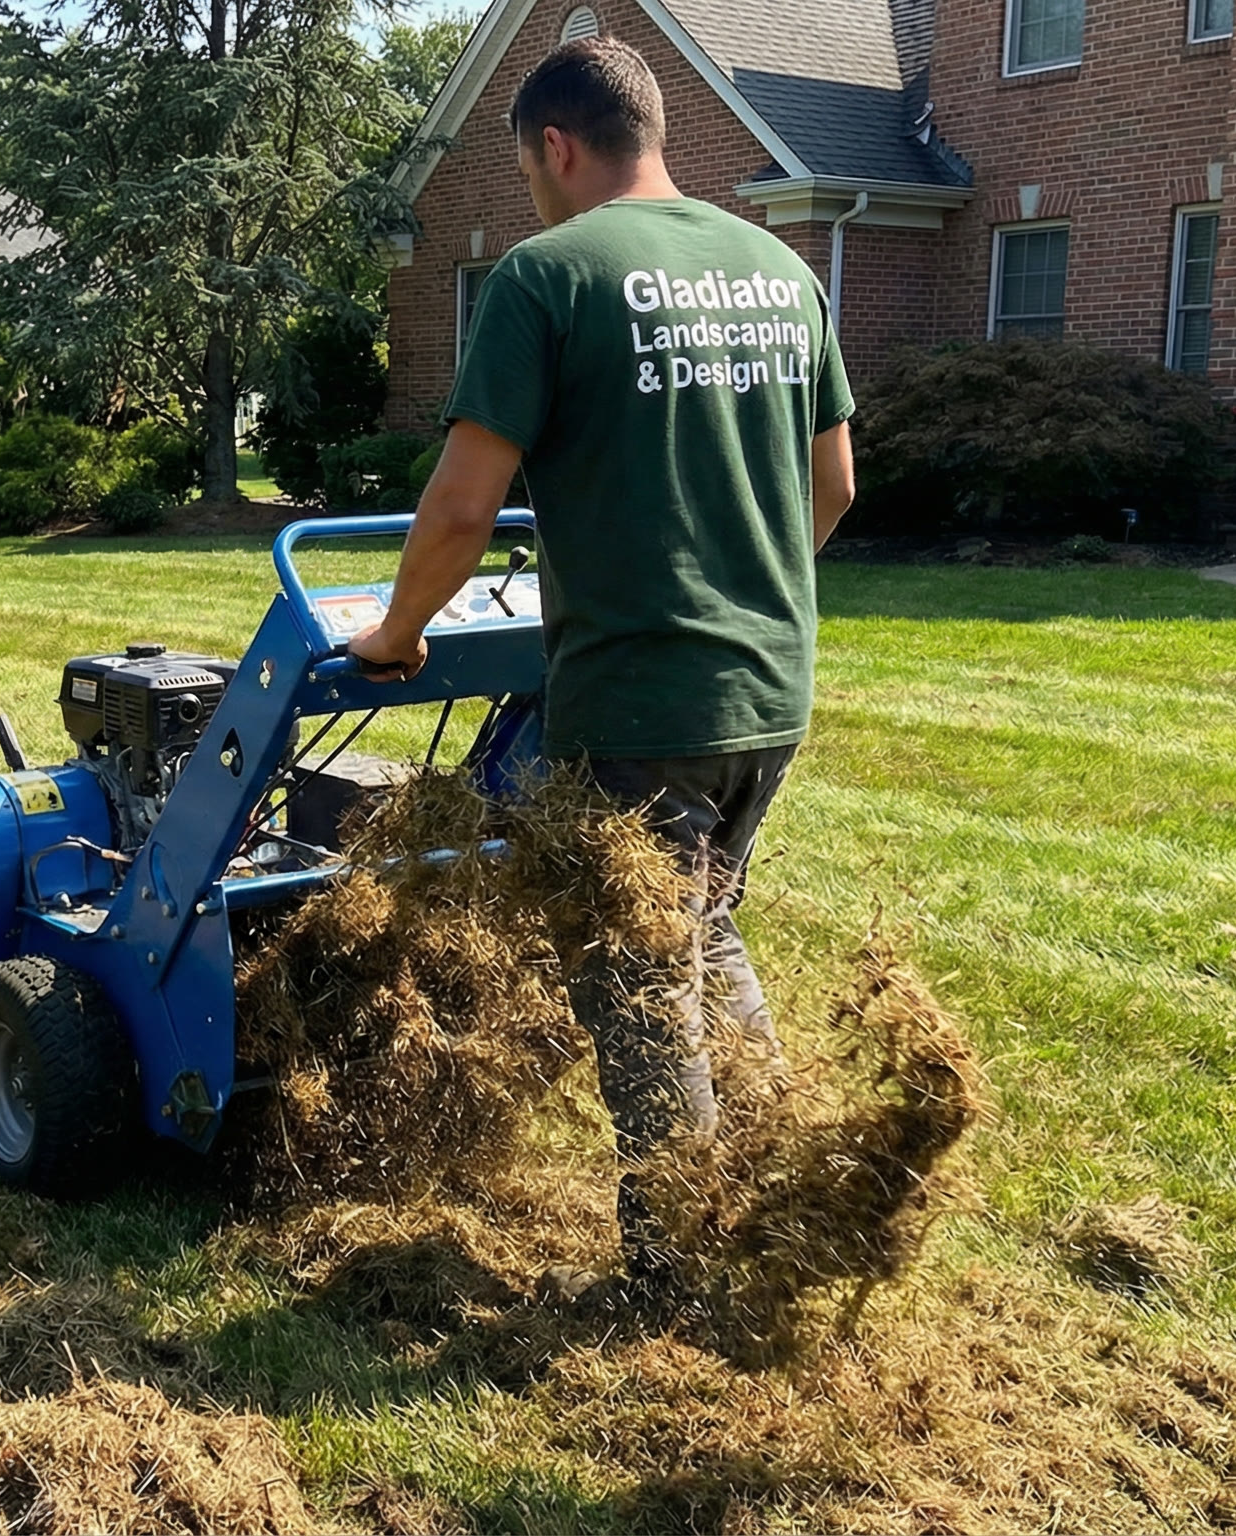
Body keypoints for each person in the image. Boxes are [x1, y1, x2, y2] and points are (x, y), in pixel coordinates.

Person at [345, 35, 856, 1297]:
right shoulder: (779, 267)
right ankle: (788, 1189)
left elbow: (463, 507)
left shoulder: (546, 277)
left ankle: (679, 1281)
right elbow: (834, 483)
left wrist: (395, 635)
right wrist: (740, 586)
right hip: (769, 689)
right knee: (701, 928)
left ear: (555, 148)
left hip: (642, 695)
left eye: (526, 169)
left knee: (633, 976)